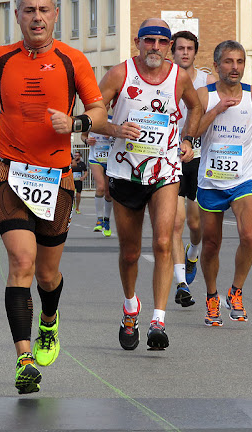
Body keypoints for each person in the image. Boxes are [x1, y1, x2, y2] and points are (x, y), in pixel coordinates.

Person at [0, 0, 107, 394]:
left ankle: (49, 320)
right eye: (29, 10)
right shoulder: (2, 58)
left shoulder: (72, 60)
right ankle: (24, 359)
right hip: (10, 173)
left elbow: (98, 110)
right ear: (18, 15)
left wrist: (77, 123)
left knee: (47, 275)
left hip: (56, 178)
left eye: (44, 10)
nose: (37, 17)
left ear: (56, 14)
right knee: (21, 263)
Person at [98, 18, 203, 351]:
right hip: (125, 171)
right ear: (137, 42)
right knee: (130, 253)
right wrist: (116, 129)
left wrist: (187, 139)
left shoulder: (179, 77)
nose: (155, 47)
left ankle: (159, 320)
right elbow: (94, 110)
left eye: (161, 41)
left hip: (165, 170)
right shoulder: (119, 73)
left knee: (162, 241)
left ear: (169, 45)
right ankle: (131, 308)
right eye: (149, 40)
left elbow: (195, 106)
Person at [196, 40, 252, 326]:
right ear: (216, 65)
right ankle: (212, 297)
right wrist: (217, 110)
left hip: (244, 175)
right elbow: (194, 129)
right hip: (211, 179)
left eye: (239, 62)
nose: (234, 67)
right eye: (228, 61)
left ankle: (235, 292)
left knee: (249, 236)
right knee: (211, 243)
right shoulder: (204, 95)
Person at [170, 31, 216, 308]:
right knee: (174, 224)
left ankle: (193, 253)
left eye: (189, 49)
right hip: (170, 159)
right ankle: (181, 284)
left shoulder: (207, 81)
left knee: (195, 224)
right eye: (180, 49)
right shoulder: (163, 78)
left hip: (198, 158)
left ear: (195, 53)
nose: (184, 53)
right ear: (172, 52)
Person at [82, 119, 114, 236]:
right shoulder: (92, 121)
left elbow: (121, 136)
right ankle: (99, 219)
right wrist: (86, 140)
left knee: (108, 193)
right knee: (100, 187)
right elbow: (83, 135)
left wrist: (111, 134)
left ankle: (107, 220)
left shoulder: (112, 121)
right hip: (95, 158)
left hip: (110, 159)